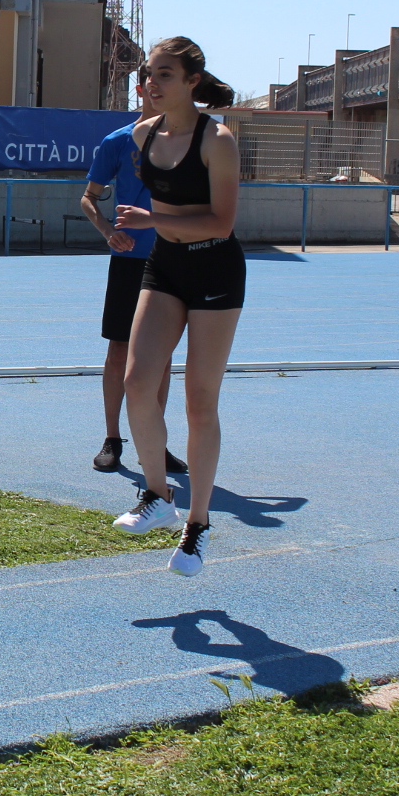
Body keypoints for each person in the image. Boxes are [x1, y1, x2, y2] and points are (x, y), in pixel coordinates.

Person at [107, 37, 243, 577]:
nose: (151, 83)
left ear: (192, 81)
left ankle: (198, 525)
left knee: (199, 402)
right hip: (164, 266)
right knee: (138, 383)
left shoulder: (218, 140)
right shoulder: (143, 134)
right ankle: (159, 496)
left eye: (164, 74)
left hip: (215, 270)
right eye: (148, 74)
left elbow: (221, 224)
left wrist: (151, 221)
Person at [80, 73, 187, 479]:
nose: (159, 91)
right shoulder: (118, 141)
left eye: (168, 82)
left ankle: (153, 442)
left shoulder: (187, 141)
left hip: (172, 259)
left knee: (163, 357)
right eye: (152, 83)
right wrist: (109, 231)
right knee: (119, 351)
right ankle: (113, 438)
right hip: (128, 260)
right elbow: (88, 198)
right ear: (140, 90)